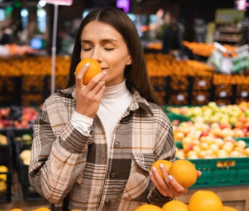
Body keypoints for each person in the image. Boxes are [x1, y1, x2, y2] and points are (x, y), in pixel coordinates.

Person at [29, 8, 201, 211]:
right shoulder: (55, 107)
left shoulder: (155, 120)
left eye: (108, 48)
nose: (94, 57)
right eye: (86, 48)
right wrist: (81, 119)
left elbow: (154, 204)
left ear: (130, 56)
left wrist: (165, 191)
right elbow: (50, 192)